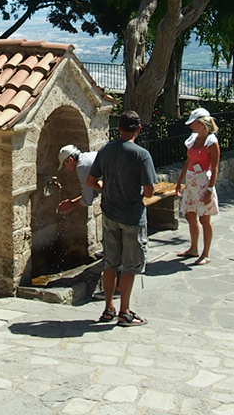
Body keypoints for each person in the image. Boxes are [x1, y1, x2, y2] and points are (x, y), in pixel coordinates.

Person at [87, 111, 156, 327]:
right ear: (139, 129)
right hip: (132, 216)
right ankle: (125, 312)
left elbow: (91, 181)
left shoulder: (106, 150)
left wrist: (106, 188)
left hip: (109, 213)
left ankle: (108, 308)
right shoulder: (141, 155)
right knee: (130, 265)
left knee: (110, 262)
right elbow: (149, 190)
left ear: (119, 128)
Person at [174, 107, 221, 265]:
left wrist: (209, 190)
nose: (191, 125)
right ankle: (193, 248)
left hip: (202, 182)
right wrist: (180, 181)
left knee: (204, 218)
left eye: (193, 122)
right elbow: (188, 161)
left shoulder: (211, 142)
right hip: (191, 180)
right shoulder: (193, 139)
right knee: (190, 214)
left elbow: (215, 167)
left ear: (202, 123)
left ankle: (205, 253)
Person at [55, 144, 99, 216]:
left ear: (70, 160)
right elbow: (93, 191)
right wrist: (72, 202)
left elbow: (88, 199)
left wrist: (71, 204)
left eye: (65, 165)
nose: (66, 168)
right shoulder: (88, 156)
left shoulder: (82, 167)